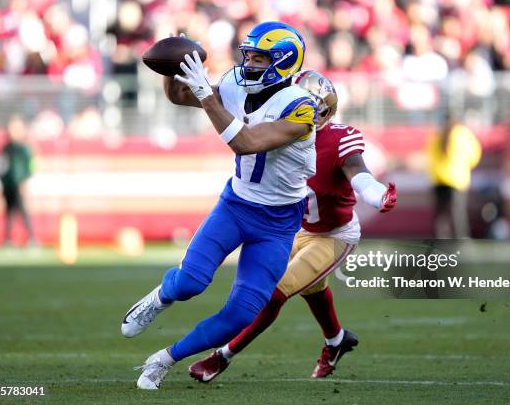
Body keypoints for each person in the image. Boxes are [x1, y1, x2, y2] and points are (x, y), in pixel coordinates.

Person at [121, 22, 319, 390]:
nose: (250, 64)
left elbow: (245, 142)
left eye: (260, 58)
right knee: (190, 283)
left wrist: (206, 95)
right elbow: (180, 96)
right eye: (249, 55)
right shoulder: (232, 85)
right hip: (237, 205)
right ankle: (160, 296)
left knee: (242, 314)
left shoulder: (301, 107)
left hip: (277, 223)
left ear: (284, 63)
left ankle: (163, 359)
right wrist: (176, 64)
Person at [188, 70, 397, 382]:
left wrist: (377, 193)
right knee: (311, 287)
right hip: (291, 227)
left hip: (333, 235)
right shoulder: (273, 126)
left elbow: (359, 173)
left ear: (321, 111)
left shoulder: (339, 139)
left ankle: (223, 356)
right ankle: (337, 341)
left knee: (274, 292)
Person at [427, 113, 481, 238]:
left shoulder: (437, 134)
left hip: (438, 180)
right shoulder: (463, 134)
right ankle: (460, 242)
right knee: (458, 215)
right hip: (457, 180)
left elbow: (431, 156)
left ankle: (440, 245)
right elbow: (474, 154)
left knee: (441, 217)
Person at [0, 115, 36, 247]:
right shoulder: (6, 149)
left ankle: (31, 238)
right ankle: (8, 239)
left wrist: (25, 181)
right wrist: (2, 184)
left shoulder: (24, 149)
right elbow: (1, 168)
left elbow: (30, 167)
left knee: (23, 211)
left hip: (20, 185)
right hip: (9, 186)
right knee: (9, 213)